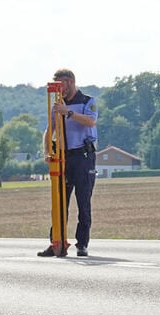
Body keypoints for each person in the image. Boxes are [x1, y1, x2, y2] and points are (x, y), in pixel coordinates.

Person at [38, 68, 98, 257]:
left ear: (70, 82)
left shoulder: (87, 101)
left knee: (83, 201)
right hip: (64, 157)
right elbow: (50, 130)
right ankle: (56, 242)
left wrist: (69, 113)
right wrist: (47, 151)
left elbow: (90, 121)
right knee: (59, 202)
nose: (59, 90)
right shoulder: (58, 104)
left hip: (83, 157)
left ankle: (82, 244)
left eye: (61, 85)